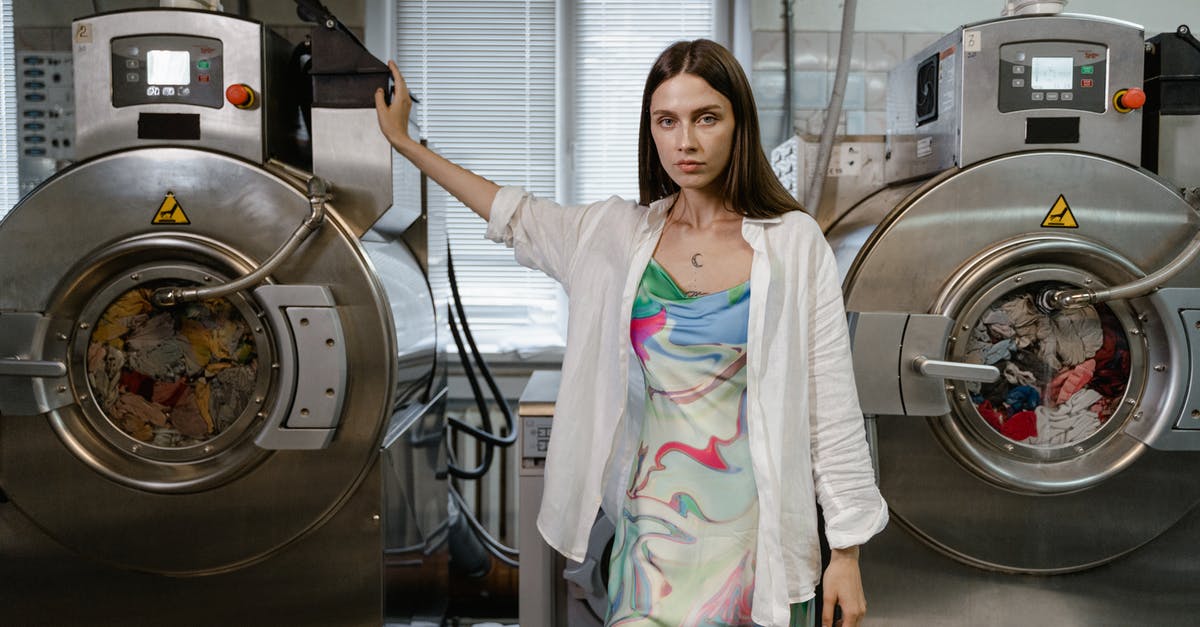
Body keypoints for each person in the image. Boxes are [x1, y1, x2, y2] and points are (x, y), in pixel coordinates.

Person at [375, 38, 887, 627]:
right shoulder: (617, 235)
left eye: (706, 118)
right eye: (666, 121)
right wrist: (406, 145)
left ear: (738, 124)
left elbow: (831, 409)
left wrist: (845, 553)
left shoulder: (794, 243)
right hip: (651, 540)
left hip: (759, 543)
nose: (685, 141)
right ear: (651, 130)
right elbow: (511, 213)